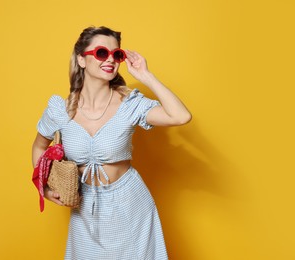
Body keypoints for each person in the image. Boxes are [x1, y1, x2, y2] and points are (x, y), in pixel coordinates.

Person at [32, 26, 191, 260]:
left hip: (131, 205)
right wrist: (44, 188)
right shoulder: (60, 109)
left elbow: (180, 116)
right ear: (81, 60)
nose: (110, 60)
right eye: (101, 53)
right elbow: (39, 147)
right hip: (85, 208)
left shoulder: (130, 104)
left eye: (117, 55)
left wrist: (146, 76)